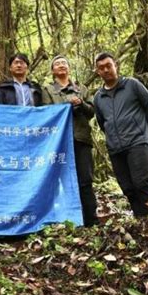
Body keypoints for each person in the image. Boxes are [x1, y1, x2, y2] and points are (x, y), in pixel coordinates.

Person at [94, 52, 148, 218]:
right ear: (98, 72)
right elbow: (102, 122)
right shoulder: (98, 97)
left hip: (138, 142)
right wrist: (112, 136)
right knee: (127, 187)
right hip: (115, 148)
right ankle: (141, 220)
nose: (106, 70)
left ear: (116, 66)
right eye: (101, 68)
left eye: (109, 66)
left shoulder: (132, 84)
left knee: (142, 183)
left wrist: (143, 129)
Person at [42, 55, 98, 226]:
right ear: (52, 70)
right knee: (57, 180)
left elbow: (91, 112)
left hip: (80, 138)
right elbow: (47, 111)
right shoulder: (48, 90)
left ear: (69, 68)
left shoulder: (81, 88)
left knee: (85, 180)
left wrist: (80, 104)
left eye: (64, 63)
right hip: (57, 141)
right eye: (57, 64)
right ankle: (63, 220)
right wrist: (67, 106)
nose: (61, 66)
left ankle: (90, 220)